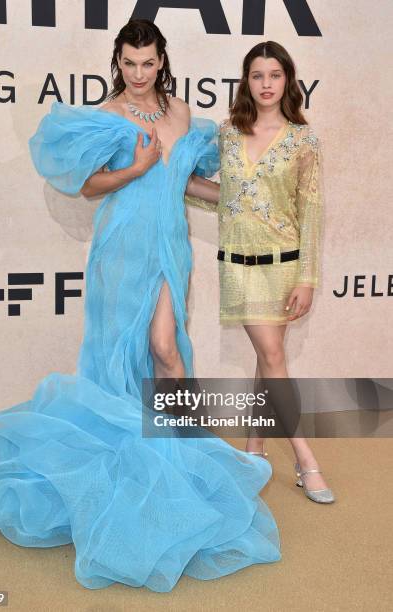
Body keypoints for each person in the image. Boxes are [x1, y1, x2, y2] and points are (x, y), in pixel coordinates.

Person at [0, 21, 281, 592]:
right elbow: (88, 187)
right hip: (121, 248)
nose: (138, 73)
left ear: (162, 60)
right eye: (129, 63)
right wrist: (135, 170)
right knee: (125, 356)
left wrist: (242, 195)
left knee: (167, 348)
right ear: (117, 61)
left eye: (147, 62)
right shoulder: (108, 112)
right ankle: (129, 463)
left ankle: (181, 458)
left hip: (169, 244)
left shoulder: (181, 112)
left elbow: (189, 181)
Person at [187, 41, 335, 504]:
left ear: (287, 80)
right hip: (239, 264)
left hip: (285, 265)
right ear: (246, 81)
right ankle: (305, 458)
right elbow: (225, 196)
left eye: (275, 75)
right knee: (272, 358)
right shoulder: (229, 133)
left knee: (268, 363)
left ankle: (254, 449)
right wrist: (172, 178)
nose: (266, 84)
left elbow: (310, 213)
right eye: (257, 75)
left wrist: (307, 278)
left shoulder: (303, 140)